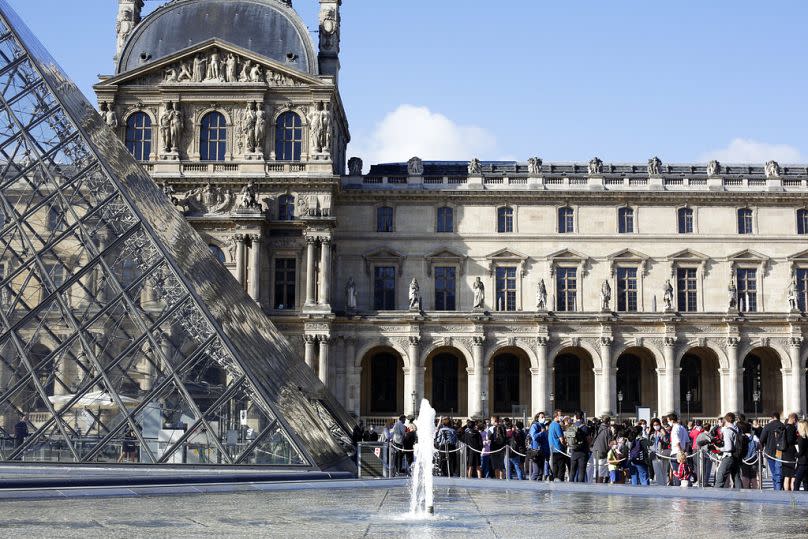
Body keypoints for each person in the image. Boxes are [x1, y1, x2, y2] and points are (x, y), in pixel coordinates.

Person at [759, 411, 786, 491]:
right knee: (779, 472)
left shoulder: (768, 426)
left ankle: (776, 489)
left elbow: (761, 439)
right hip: (780, 451)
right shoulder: (783, 426)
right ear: (778, 417)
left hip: (770, 452)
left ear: (772, 418)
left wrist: (762, 448)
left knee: (774, 472)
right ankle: (779, 488)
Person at [715, 413, 741, 490]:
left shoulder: (727, 430)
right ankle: (741, 497)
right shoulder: (736, 428)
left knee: (720, 477)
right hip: (736, 456)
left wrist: (719, 449)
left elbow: (729, 447)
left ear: (725, 420)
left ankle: (716, 496)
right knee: (736, 478)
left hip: (728, 456)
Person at [568, 411, 590, 483]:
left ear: (575, 417)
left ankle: (570, 485)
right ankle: (580, 488)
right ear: (582, 417)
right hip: (582, 452)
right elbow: (589, 439)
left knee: (572, 471)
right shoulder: (585, 427)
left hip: (573, 451)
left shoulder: (571, 426)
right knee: (581, 471)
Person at [668, 412, 689, 485]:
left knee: (676, 474)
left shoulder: (674, 429)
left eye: (668, 420)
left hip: (676, 453)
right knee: (683, 472)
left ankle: (677, 489)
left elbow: (677, 442)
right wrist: (685, 451)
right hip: (682, 452)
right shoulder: (682, 428)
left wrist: (680, 452)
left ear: (672, 420)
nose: (668, 422)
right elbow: (687, 441)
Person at [548, 410, 568, 481]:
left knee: (555, 467)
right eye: (560, 415)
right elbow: (561, 439)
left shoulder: (551, 425)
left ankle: (554, 481)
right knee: (561, 468)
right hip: (559, 449)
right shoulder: (557, 425)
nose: (562, 417)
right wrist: (566, 444)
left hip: (552, 449)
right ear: (556, 416)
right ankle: (560, 482)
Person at [591, 415, 611, 483]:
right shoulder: (608, 430)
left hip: (594, 451)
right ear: (608, 422)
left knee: (596, 470)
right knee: (601, 472)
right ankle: (599, 487)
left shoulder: (597, 428)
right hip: (602, 452)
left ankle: (596, 484)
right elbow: (609, 443)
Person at [782, 413, 799, 491]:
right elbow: (790, 440)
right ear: (794, 419)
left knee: (786, 476)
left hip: (784, 452)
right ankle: (793, 493)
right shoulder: (792, 428)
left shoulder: (784, 427)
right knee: (792, 476)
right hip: (791, 452)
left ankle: (786, 493)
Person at [527, 413, 546, 481]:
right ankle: (531, 486)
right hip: (535, 451)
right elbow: (534, 437)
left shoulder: (543, 425)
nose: (544, 418)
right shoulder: (534, 425)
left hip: (542, 450)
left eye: (544, 417)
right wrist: (541, 432)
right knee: (536, 472)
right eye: (542, 417)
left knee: (541, 473)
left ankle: (540, 489)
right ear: (537, 418)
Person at [795, 419, 808, 492]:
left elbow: (801, 452)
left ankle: (795, 499)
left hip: (802, 462)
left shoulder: (801, 438)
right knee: (806, 482)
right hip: (807, 462)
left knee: (797, 482)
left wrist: (795, 454)